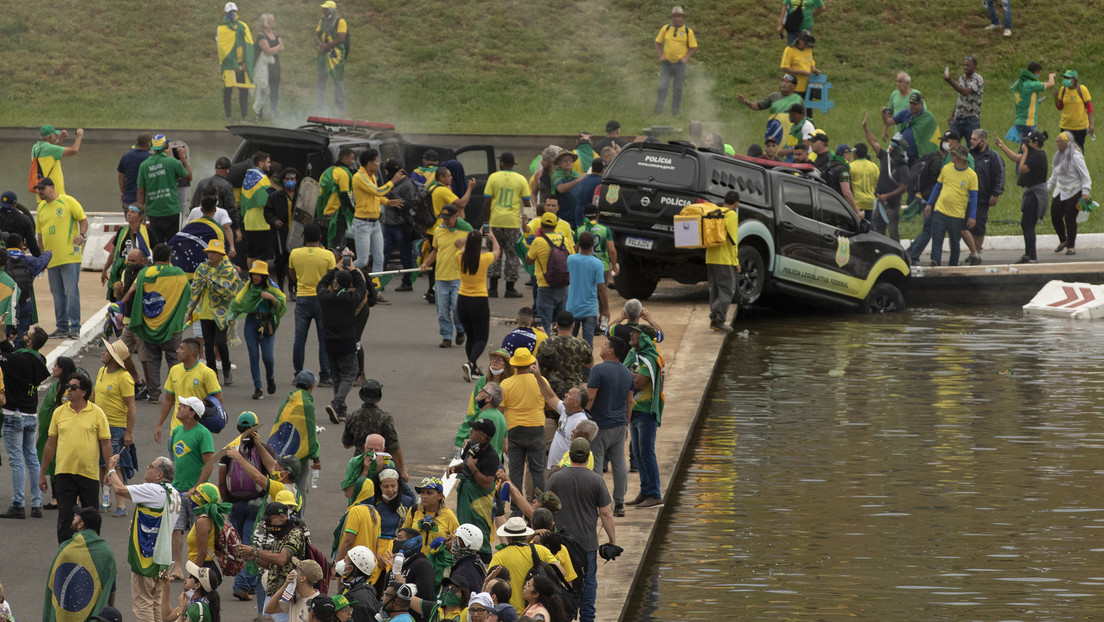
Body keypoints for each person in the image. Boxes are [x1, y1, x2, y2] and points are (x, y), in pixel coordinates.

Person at [105, 453, 180, 622]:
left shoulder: (153, 490)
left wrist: (111, 469)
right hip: (162, 558)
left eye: (151, 467)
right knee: (155, 602)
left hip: (146, 556)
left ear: (160, 474)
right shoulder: (175, 494)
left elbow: (120, 489)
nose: (147, 468)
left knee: (143, 604)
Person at [38, 371, 111, 542]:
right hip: (64, 473)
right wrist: (42, 473)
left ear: (84, 392)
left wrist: (110, 471)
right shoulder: (59, 412)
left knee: (91, 518)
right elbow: (50, 444)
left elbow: (106, 444)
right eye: (68, 386)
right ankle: (65, 553)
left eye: (73, 387)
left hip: (89, 474)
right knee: (65, 517)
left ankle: (91, 551)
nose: (68, 390)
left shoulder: (97, 413)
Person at [548, 438, 615, 622]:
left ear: (569, 455)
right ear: (587, 457)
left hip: (561, 544)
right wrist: (612, 541)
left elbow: (546, 509)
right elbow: (606, 513)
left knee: (561, 581)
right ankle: (587, 618)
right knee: (589, 581)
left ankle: (565, 616)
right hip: (587, 544)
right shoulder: (596, 480)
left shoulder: (556, 478)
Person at [217, 412, 269, 601]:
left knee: (238, 544)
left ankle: (249, 581)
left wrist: (227, 502)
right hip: (256, 505)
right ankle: (242, 584)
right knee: (250, 543)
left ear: (238, 428)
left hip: (235, 504)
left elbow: (222, 481)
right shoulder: (263, 450)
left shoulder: (229, 450)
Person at [0, 326, 51, 519]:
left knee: (16, 461)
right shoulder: (39, 359)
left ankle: (18, 504)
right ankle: (36, 504)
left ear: (29, 342)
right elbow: (7, 350)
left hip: (14, 414)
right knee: (31, 458)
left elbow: (4, 357)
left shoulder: (19, 360)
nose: (23, 335)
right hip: (30, 415)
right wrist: (0, 329)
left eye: (26, 334)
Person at [34, 176, 88, 339]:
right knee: (57, 294)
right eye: (38, 189)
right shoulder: (41, 207)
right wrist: (43, 257)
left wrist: (82, 235)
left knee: (71, 292)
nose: (40, 192)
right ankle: (62, 327)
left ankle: (75, 326)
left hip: (69, 256)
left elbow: (83, 220)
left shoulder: (67, 201)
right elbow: (40, 234)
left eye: (43, 189)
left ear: (52, 187)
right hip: (51, 259)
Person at [498, 346, 549, 513]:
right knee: (537, 470)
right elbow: (548, 401)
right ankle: (539, 505)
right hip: (536, 427)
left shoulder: (506, 383)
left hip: (513, 429)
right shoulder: (541, 380)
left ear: (514, 365)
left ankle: (516, 508)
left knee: (515, 470)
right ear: (530, 364)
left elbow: (500, 410)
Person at [587, 336, 633, 516]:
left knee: (597, 463)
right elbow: (630, 401)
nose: (602, 346)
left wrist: (582, 416)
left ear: (611, 351)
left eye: (605, 345)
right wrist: (626, 423)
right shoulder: (627, 372)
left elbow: (590, 398)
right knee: (619, 463)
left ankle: (598, 503)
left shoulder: (598, 370)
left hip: (600, 425)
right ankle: (619, 503)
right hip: (619, 424)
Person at [45, 508, 117, 622]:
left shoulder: (66, 549)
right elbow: (111, 584)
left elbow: (54, 584)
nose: (74, 517)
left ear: (81, 525)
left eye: (77, 516)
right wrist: (110, 609)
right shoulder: (106, 552)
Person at [187, 238, 242, 385]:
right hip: (205, 312)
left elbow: (233, 290)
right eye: (209, 252)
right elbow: (195, 290)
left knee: (221, 342)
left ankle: (226, 369)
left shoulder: (228, 269)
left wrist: (212, 282)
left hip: (222, 313)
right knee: (208, 345)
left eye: (214, 252)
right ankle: (212, 375)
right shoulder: (202, 268)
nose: (211, 255)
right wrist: (190, 311)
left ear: (221, 254)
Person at [91, 338, 137, 516]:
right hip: (99, 425)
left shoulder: (124, 377)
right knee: (102, 465)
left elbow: (131, 407)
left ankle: (121, 504)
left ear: (114, 357)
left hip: (116, 427)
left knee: (116, 465)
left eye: (107, 351)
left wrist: (129, 431)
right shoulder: (102, 371)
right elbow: (95, 395)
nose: (103, 353)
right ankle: (105, 499)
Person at [229, 260, 287, 399]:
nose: (255, 277)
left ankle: (270, 377)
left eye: (258, 274)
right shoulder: (248, 287)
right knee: (254, 356)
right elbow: (239, 302)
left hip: (267, 323)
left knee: (268, 358)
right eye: (253, 274)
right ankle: (258, 387)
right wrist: (231, 316)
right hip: (251, 323)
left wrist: (271, 298)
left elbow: (281, 306)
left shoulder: (272, 287)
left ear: (264, 276)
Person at [318, 263, 368, 422]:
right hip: (346, 344)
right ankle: (336, 403)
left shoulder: (326, 297)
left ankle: (341, 410)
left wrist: (335, 269)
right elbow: (362, 287)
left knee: (336, 377)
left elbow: (321, 284)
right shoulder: (351, 299)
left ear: (335, 282)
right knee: (349, 375)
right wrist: (354, 270)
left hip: (329, 344)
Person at [419, 204, 473, 348]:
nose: (446, 221)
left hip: (458, 277)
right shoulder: (439, 230)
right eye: (444, 218)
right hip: (441, 277)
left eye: (449, 218)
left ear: (456, 216)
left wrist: (465, 241)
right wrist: (426, 263)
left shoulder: (466, 230)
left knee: (457, 307)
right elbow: (435, 250)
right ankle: (446, 337)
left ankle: (460, 329)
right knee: (442, 311)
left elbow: (478, 239)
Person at [153, 336, 222, 448]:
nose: (177, 351)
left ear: (190, 352)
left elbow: (218, 399)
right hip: (176, 431)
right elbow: (168, 399)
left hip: (196, 433)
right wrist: (159, 424)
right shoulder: (174, 370)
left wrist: (201, 406)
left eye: (181, 348)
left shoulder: (207, 373)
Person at [289, 223, 335, 387]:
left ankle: (298, 374)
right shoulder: (328, 255)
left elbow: (293, 275)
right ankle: (325, 376)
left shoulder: (295, 253)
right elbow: (332, 279)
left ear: (303, 238)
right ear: (320, 238)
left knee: (299, 339)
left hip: (302, 298)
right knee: (324, 339)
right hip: (323, 299)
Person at [352, 149, 405, 289]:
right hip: (362, 224)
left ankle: (376, 290)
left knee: (379, 258)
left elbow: (374, 196)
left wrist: (388, 202)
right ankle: (339, 273)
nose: (378, 163)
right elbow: (377, 191)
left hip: (375, 223)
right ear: (368, 163)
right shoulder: (359, 177)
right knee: (362, 261)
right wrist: (393, 181)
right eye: (376, 161)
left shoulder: (372, 176)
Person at [624, 327, 665, 508]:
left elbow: (639, 383)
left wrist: (631, 377)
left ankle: (655, 494)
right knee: (638, 454)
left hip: (646, 413)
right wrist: (632, 376)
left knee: (647, 454)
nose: (631, 334)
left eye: (636, 332)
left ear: (645, 338)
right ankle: (645, 491)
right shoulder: (634, 354)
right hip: (634, 411)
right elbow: (626, 376)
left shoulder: (650, 357)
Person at [446, 418, 499, 556]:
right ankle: (463, 554)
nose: (471, 431)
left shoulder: (492, 456)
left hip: (479, 500)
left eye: (475, 430)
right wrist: (455, 469)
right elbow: (465, 465)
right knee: (464, 527)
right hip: (466, 494)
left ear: (483, 436)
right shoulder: (471, 445)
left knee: (479, 530)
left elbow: (487, 483)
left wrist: (473, 468)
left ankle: (483, 559)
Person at [995, 131, 1049, 264]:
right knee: (1025, 224)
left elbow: (1022, 168)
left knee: (1029, 225)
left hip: (1036, 194)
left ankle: (1032, 256)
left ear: (1035, 143)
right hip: (1031, 193)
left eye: (1028, 141)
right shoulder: (1032, 154)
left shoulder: (1038, 156)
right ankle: (1028, 254)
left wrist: (1025, 153)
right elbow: (1015, 158)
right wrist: (1002, 146)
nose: (1026, 144)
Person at [269, 370, 321, 508]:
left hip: (281, 454)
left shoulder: (287, 401)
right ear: (311, 387)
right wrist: (316, 458)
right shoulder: (307, 405)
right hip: (299, 457)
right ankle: (298, 517)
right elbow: (310, 434)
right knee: (300, 490)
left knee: (281, 488)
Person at [489, 517, 564, 613]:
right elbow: (562, 572)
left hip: (511, 612)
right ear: (525, 534)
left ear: (508, 537)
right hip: (537, 611)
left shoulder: (499, 556)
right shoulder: (541, 550)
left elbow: (490, 582)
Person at [484, 153, 533, 298]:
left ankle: (493, 289)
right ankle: (510, 288)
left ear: (501, 163)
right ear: (513, 164)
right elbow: (527, 203)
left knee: (494, 253)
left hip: (495, 222)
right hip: (512, 223)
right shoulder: (521, 179)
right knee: (512, 255)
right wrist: (528, 222)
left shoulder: (493, 177)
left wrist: (486, 223)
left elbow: (487, 202)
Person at [924, 144, 978, 267]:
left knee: (955, 242)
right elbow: (938, 187)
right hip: (940, 210)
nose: (952, 156)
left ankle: (953, 265)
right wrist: (930, 203)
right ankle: (935, 262)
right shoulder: (946, 168)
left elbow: (974, 196)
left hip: (957, 215)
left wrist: (972, 216)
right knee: (937, 239)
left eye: (954, 155)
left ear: (962, 158)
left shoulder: (971, 175)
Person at [457, 229, 500, 380]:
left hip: (462, 300)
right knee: (481, 338)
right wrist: (492, 237)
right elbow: (497, 251)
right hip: (479, 301)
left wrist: (471, 237)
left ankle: (473, 368)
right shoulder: (484, 259)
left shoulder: (459, 257)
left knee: (471, 337)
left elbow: (461, 248)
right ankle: (471, 363)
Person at [34, 354, 74, 511]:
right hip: (58, 430)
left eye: (56, 366)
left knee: (58, 462)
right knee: (54, 462)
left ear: (62, 369)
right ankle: (57, 496)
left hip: (63, 431)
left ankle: (59, 497)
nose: (53, 368)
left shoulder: (65, 388)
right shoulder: (58, 386)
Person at [137, 134, 194, 245]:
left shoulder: (144, 165)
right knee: (173, 244)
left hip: (153, 211)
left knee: (157, 245)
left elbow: (140, 191)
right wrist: (183, 158)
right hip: (172, 210)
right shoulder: (172, 162)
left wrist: (139, 212)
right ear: (167, 145)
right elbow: (189, 176)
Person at [861, 114, 909, 241]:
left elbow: (903, 188)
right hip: (879, 203)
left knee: (893, 233)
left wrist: (887, 196)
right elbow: (873, 142)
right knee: (879, 232)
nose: (890, 147)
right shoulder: (884, 157)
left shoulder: (903, 168)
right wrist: (865, 128)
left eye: (893, 146)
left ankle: (896, 252)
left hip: (892, 205)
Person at [527, 213, 575, 335]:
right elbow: (572, 259)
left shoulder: (538, 241)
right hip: (564, 287)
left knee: (544, 324)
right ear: (555, 225)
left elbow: (528, 260)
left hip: (545, 287)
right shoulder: (565, 240)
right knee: (563, 324)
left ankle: (546, 346)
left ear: (541, 225)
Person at [1047, 131, 1093, 256]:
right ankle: (1063, 240)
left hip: (1074, 190)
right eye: (1056, 142)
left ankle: (1071, 246)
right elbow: (1054, 175)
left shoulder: (1076, 157)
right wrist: (1048, 187)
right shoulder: (1058, 157)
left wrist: (1085, 192)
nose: (1057, 144)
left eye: (1059, 142)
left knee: (1070, 218)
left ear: (1065, 143)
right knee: (1055, 215)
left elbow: (1085, 175)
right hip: (1060, 189)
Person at [704, 192, 741, 332]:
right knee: (727, 290)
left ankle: (715, 320)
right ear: (736, 203)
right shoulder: (731, 215)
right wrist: (736, 261)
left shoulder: (714, 212)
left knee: (714, 289)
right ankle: (718, 319)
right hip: (724, 259)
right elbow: (733, 240)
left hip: (710, 257)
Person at [564, 233, 608, 346]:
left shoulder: (571, 259)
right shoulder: (597, 263)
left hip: (572, 308)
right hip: (589, 309)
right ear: (592, 245)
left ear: (579, 244)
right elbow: (601, 287)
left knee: (569, 343)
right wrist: (606, 309)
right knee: (588, 344)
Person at [736, 75, 804, 147]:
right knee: (771, 149)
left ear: (794, 86)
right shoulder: (774, 96)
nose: (784, 84)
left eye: (787, 82)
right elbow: (759, 106)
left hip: (791, 133)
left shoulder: (798, 99)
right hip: (774, 131)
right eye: (783, 81)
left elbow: (804, 118)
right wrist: (746, 102)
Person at [653, 6, 697, 115]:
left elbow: (694, 46)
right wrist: (660, 55)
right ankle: (657, 110)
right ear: (671, 18)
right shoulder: (666, 28)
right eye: (674, 16)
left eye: (679, 16)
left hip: (680, 65)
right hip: (667, 64)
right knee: (662, 87)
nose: (676, 18)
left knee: (677, 89)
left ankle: (675, 111)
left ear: (682, 18)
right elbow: (657, 42)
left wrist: (686, 57)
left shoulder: (688, 31)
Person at [382, 159, 417, 293]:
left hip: (401, 225)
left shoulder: (406, 184)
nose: (385, 173)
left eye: (387, 170)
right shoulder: (390, 183)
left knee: (405, 254)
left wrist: (394, 202)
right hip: (387, 224)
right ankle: (379, 282)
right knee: (383, 254)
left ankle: (407, 282)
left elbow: (410, 203)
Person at [969, 129, 1006, 255]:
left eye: (974, 139)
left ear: (983, 141)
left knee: (979, 227)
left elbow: (1000, 175)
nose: (971, 141)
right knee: (965, 226)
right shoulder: (969, 155)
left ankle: (976, 252)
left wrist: (996, 194)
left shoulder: (993, 156)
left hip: (983, 198)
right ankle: (973, 251)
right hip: (967, 197)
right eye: (971, 138)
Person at [190, 157, 242, 245]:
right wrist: (237, 228)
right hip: (219, 229)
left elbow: (193, 205)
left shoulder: (202, 183)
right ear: (227, 170)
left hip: (201, 229)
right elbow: (231, 209)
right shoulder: (226, 186)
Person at [402, 477, 460, 555]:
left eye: (429, 493)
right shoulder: (414, 510)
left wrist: (451, 543)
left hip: (437, 561)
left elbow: (458, 541)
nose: (424, 496)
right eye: (422, 492)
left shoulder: (448, 515)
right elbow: (403, 534)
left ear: (440, 495)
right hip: (415, 559)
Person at [217, 1, 253, 123]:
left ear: (237, 12)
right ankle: (229, 116)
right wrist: (233, 64)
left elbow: (248, 44)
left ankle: (244, 116)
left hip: (242, 63)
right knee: (228, 90)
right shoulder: (221, 29)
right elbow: (222, 48)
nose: (233, 14)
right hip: (229, 65)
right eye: (230, 12)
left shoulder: (243, 27)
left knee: (244, 90)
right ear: (225, 13)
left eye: (234, 11)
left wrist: (245, 62)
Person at [318, 148, 357, 248]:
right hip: (337, 215)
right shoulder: (343, 173)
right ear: (345, 159)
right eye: (352, 159)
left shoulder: (328, 171)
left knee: (326, 243)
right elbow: (345, 194)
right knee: (337, 246)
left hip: (325, 213)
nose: (353, 162)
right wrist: (354, 210)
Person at [882, 92, 937, 161]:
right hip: (905, 153)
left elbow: (934, 133)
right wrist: (884, 116)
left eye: (915, 104)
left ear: (921, 104)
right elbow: (889, 122)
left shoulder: (928, 116)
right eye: (911, 103)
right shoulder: (905, 113)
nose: (912, 106)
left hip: (919, 153)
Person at [315, 0, 348, 113]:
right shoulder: (322, 21)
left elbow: (341, 38)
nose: (324, 11)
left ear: (332, 10)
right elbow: (316, 35)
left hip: (335, 55)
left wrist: (328, 47)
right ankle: (319, 107)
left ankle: (341, 108)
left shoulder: (340, 21)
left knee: (338, 80)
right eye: (323, 9)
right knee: (321, 80)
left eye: (326, 9)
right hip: (323, 54)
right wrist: (321, 44)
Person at [32, 124, 83, 196]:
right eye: (55, 135)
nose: (56, 136)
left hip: (42, 192)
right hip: (55, 194)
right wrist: (79, 136)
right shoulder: (50, 149)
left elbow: (52, 150)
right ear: (51, 136)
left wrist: (60, 139)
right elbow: (74, 150)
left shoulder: (35, 147)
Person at [943, 56, 984, 141]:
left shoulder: (977, 79)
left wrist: (950, 81)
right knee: (950, 142)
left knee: (972, 144)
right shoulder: (961, 78)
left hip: (971, 119)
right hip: (958, 118)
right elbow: (960, 99)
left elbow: (965, 92)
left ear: (975, 67)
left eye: (968, 65)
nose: (965, 67)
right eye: (964, 65)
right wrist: (952, 116)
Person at [335, 547, 381, 620]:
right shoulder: (348, 585)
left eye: (345, 560)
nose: (342, 562)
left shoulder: (363, 600)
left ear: (350, 568)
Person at [253, 13, 284, 121]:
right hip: (264, 67)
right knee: (262, 89)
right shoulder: (261, 36)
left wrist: (274, 49)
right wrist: (277, 48)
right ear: (267, 23)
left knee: (274, 88)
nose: (275, 22)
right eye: (273, 21)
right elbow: (267, 51)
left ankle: (273, 111)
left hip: (275, 65)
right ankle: (259, 113)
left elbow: (282, 47)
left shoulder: (275, 33)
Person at [1012, 62, 1055, 138]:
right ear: (1036, 72)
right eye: (1039, 73)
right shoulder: (1031, 84)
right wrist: (1051, 76)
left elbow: (1024, 98)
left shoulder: (1019, 83)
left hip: (1018, 121)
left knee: (1025, 143)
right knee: (1030, 144)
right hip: (1028, 122)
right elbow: (1051, 83)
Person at [1055, 69, 1094, 149]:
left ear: (1074, 79)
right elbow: (1060, 107)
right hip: (1065, 126)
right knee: (1064, 149)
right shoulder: (1063, 89)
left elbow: (1089, 108)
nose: (1065, 80)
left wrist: (1091, 124)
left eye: (1068, 78)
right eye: (1065, 78)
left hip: (1079, 127)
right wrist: (1056, 98)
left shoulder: (1082, 89)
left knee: (1078, 149)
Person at [780, 31, 818, 107]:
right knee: (794, 110)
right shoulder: (790, 50)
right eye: (806, 43)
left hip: (807, 87)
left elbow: (811, 62)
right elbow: (784, 68)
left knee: (807, 110)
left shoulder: (808, 49)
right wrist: (801, 72)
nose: (807, 46)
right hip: (793, 88)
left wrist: (814, 69)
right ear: (800, 41)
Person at [118, 133, 153, 209]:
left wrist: (123, 192)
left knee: (130, 217)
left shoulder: (126, 156)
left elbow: (121, 177)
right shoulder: (151, 159)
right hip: (146, 201)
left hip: (128, 199)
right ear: (148, 143)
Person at [849, 143, 880, 219]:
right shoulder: (873, 166)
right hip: (871, 202)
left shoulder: (850, 166)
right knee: (871, 224)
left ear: (855, 154)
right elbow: (879, 183)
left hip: (857, 203)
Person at [886, 72, 921, 136]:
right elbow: (889, 114)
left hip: (912, 132)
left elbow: (923, 113)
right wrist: (885, 129)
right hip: (898, 134)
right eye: (897, 81)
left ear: (907, 83)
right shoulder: (894, 94)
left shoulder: (915, 94)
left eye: (900, 82)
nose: (897, 84)